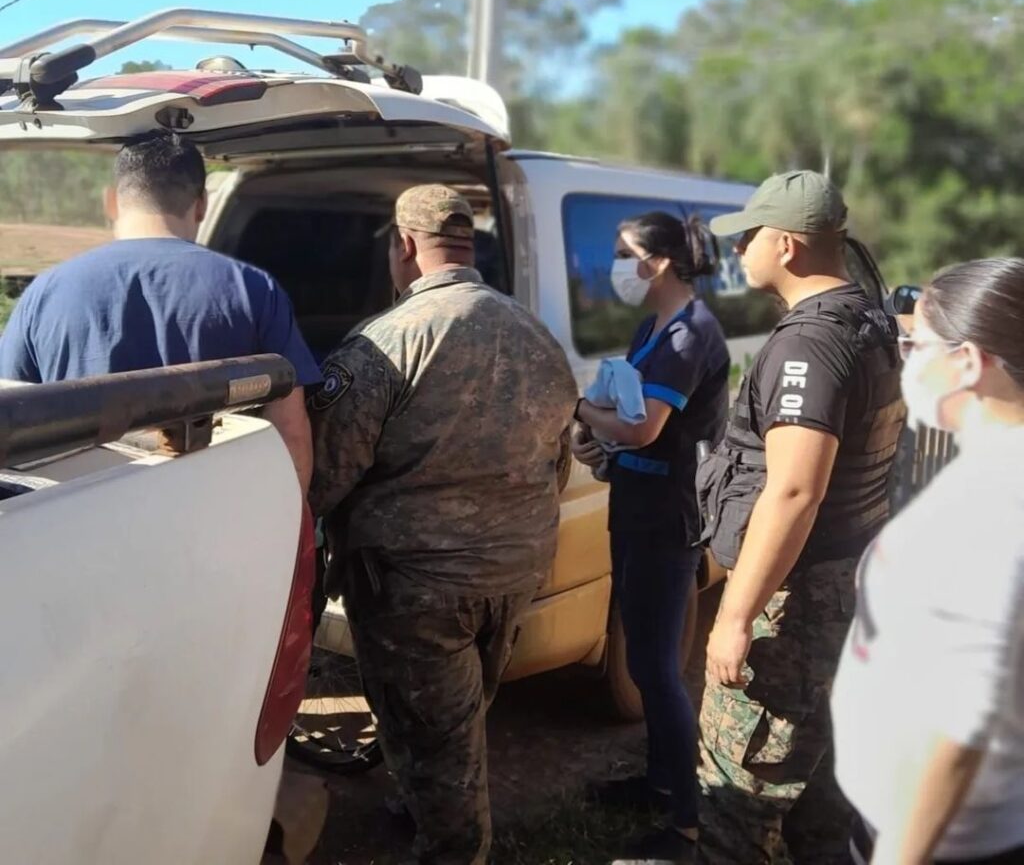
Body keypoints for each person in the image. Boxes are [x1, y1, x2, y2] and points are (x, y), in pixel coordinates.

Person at [306, 184, 577, 865]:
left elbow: (327, 473)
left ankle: (454, 846)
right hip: (513, 570)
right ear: (467, 243)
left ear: (404, 246)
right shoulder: (534, 334)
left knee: (430, 725)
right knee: (456, 716)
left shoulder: (385, 342)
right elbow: (560, 463)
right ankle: (426, 802)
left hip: (415, 587)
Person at [694, 170, 906, 864]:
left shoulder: (809, 344)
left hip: (795, 605)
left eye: (749, 237)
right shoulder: (865, 319)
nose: (740, 250)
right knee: (820, 806)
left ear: (785, 245)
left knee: (737, 804)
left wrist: (734, 616)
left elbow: (794, 492)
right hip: (845, 586)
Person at [832, 258, 1024, 865]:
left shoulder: (994, 501)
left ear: (969, 361)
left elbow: (960, 730)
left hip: (943, 840)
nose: (908, 360)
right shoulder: (991, 468)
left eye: (916, 344)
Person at [0, 131, 319, 492]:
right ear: (201, 204)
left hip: (79, 523)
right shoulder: (254, 289)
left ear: (111, 203)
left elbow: (11, 422)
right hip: (217, 521)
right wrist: (294, 535)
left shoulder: (45, 292)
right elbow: (290, 430)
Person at [571, 211, 730, 863]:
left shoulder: (692, 335)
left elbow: (644, 430)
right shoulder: (653, 327)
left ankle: (687, 822)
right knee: (641, 658)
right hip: (634, 509)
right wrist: (595, 435)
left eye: (623, 252)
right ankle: (658, 783)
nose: (615, 266)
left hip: (668, 520)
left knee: (659, 670)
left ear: (658, 262)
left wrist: (577, 408)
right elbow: (625, 420)